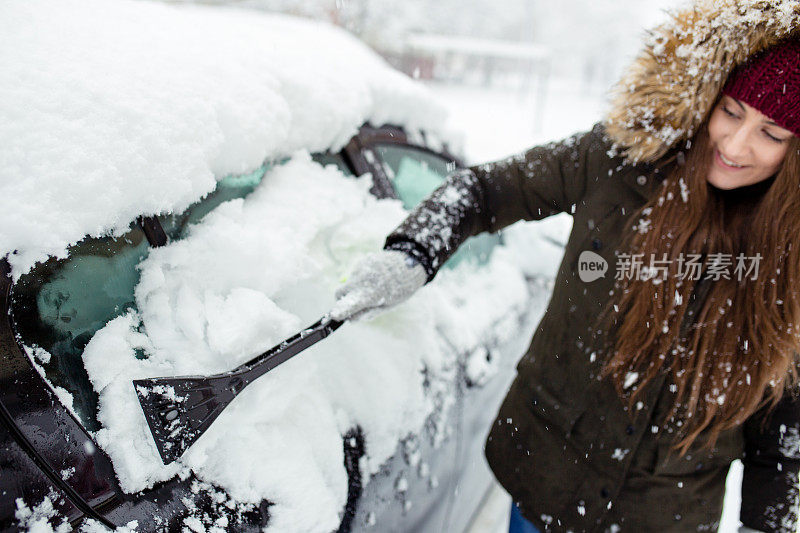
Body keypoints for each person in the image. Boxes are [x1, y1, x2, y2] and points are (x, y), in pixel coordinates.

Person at [332, 2, 800, 532]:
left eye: (772, 133)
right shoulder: (620, 160)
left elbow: (784, 434)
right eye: (732, 111)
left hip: (665, 517)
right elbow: (487, 190)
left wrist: (766, 525)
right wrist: (415, 250)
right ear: (707, 95)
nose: (735, 145)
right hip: (546, 483)